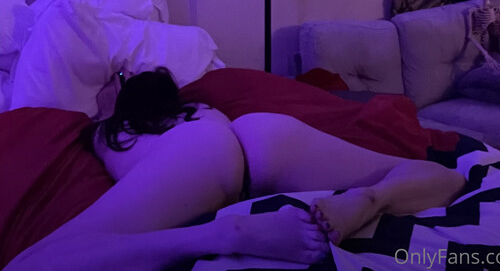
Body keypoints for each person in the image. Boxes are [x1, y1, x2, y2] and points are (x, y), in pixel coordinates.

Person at [8, 68, 466, 271]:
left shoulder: (112, 131)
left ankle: (223, 235)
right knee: (446, 177)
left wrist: (106, 114)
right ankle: (372, 199)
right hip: (264, 136)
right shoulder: (202, 109)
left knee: (30, 264)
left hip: (200, 160)